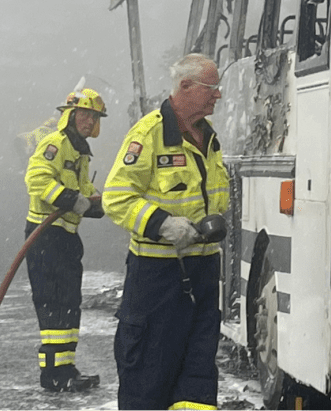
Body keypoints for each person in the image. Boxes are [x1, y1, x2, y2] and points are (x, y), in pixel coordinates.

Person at [103, 53, 229, 411]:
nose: (217, 95)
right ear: (185, 87)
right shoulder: (149, 134)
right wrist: (163, 224)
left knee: (198, 380)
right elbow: (116, 197)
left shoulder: (208, 137)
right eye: (211, 88)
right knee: (147, 378)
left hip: (203, 276)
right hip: (158, 280)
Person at [23, 88, 107, 392]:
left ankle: (67, 369)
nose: (89, 120)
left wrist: (96, 201)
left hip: (66, 237)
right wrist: (71, 200)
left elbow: (83, 188)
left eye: (94, 116)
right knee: (52, 303)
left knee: (70, 303)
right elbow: (37, 179)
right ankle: (53, 374)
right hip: (45, 237)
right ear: (70, 116)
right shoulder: (55, 145)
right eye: (84, 114)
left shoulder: (80, 150)